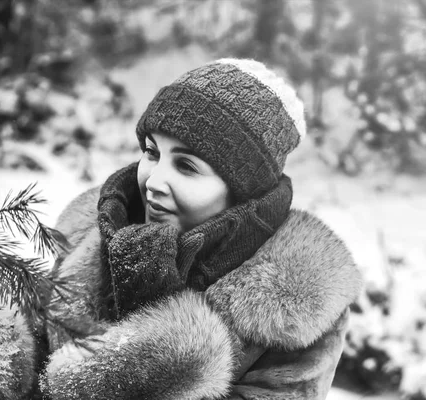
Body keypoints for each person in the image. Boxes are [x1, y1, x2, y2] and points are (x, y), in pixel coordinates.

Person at [40, 58, 363, 399]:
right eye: (152, 152)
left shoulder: (298, 305)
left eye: (187, 166)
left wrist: (164, 346)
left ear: (241, 191)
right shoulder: (89, 235)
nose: (154, 181)